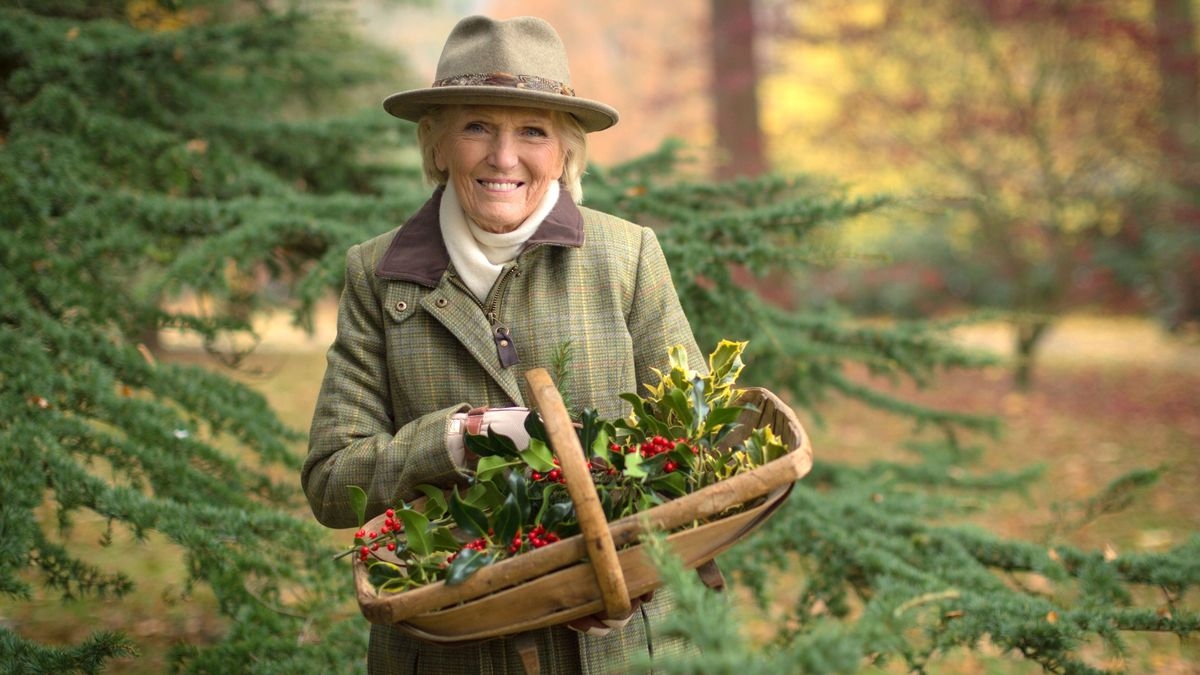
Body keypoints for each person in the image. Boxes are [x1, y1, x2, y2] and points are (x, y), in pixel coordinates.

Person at [302, 14, 704, 675]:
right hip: (448, 650)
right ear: (437, 146)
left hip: (614, 647)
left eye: (533, 131)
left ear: (565, 152)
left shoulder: (627, 256)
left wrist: (634, 571)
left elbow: (693, 451)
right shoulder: (378, 275)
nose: (505, 156)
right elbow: (332, 483)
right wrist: (459, 437)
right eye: (477, 126)